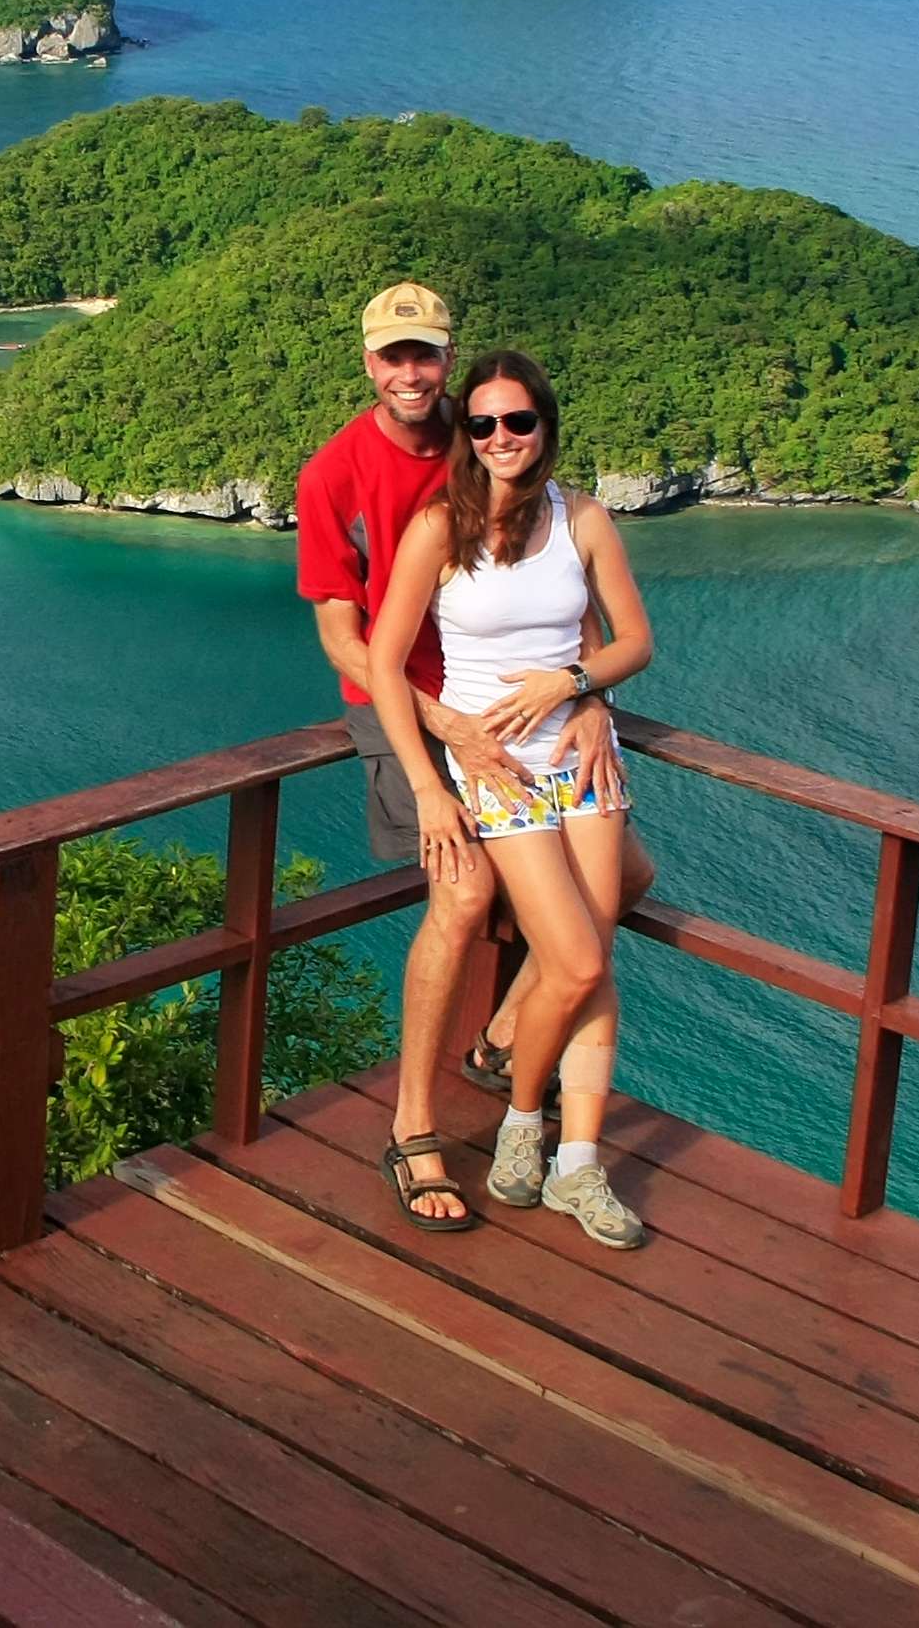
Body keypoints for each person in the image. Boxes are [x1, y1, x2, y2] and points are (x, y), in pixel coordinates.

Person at [295, 286, 627, 1233]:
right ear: (368, 363)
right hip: (402, 704)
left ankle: (502, 1033)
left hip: (512, 712)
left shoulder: (485, 430)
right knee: (467, 892)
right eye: (392, 357)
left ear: (448, 360)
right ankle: (411, 1126)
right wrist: (440, 734)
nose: (411, 374)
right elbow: (341, 634)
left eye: (425, 356)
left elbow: (564, 587)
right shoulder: (334, 475)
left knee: (627, 876)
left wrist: (587, 692)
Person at [366, 351, 657, 1249]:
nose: (499, 439)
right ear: (465, 434)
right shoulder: (436, 530)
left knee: (593, 953)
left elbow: (633, 640)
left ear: (544, 428)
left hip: (575, 751)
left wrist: (582, 688)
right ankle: (521, 1116)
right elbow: (382, 662)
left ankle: (572, 1161)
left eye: (517, 422)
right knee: (569, 961)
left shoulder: (586, 520)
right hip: (495, 767)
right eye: (483, 424)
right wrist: (428, 784)